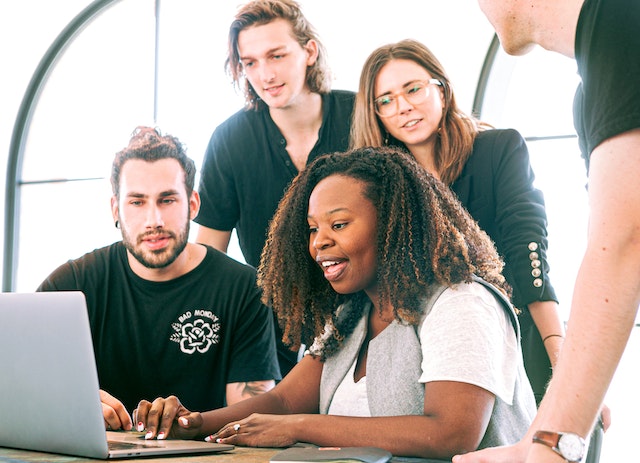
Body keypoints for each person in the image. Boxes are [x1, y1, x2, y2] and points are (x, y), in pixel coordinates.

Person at [133, 146, 537, 460]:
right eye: (312, 229)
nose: (319, 242)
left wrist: (300, 428)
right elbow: (284, 400)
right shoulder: (353, 313)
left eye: (338, 224)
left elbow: (451, 432)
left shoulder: (461, 302)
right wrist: (193, 423)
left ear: (394, 222)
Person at [452, 0, 640, 462]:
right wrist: (542, 436)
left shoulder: (619, 22)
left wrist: (549, 445)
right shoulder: (592, 76)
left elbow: (623, 239)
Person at [350, 38, 564, 405]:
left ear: (442, 90)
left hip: (510, 328)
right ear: (377, 116)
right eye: (385, 100)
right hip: (423, 345)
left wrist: (559, 351)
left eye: (413, 89)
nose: (402, 107)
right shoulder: (377, 185)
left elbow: (528, 248)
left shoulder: (498, 150)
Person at [37, 126, 281, 433]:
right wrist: (73, 403)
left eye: (167, 200)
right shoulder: (71, 284)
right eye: (137, 202)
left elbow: (250, 422)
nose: (154, 220)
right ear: (116, 208)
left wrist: (191, 424)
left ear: (192, 204)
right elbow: (20, 380)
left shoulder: (244, 288)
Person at [194, 0, 355, 376]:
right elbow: (208, 257)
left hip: (369, 318)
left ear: (309, 51)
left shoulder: (360, 116)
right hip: (275, 332)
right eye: (250, 62)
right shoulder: (229, 140)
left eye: (276, 55)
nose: (265, 74)